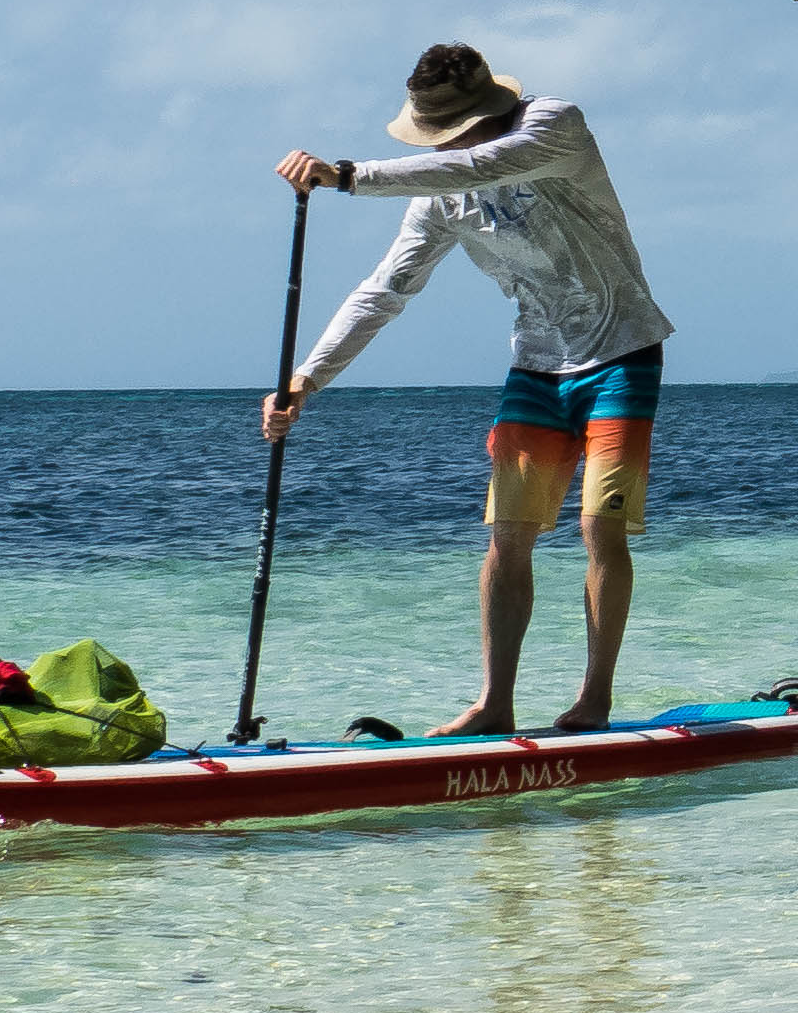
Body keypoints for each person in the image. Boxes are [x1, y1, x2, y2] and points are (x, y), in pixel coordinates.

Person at [262, 42, 674, 738]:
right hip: (537, 365)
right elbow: (384, 292)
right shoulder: (438, 198)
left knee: (597, 528)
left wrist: (347, 177)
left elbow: (481, 163)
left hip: (622, 350)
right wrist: (306, 380)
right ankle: (495, 704)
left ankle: (593, 701)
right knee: (507, 537)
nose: (454, 141)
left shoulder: (554, 126)